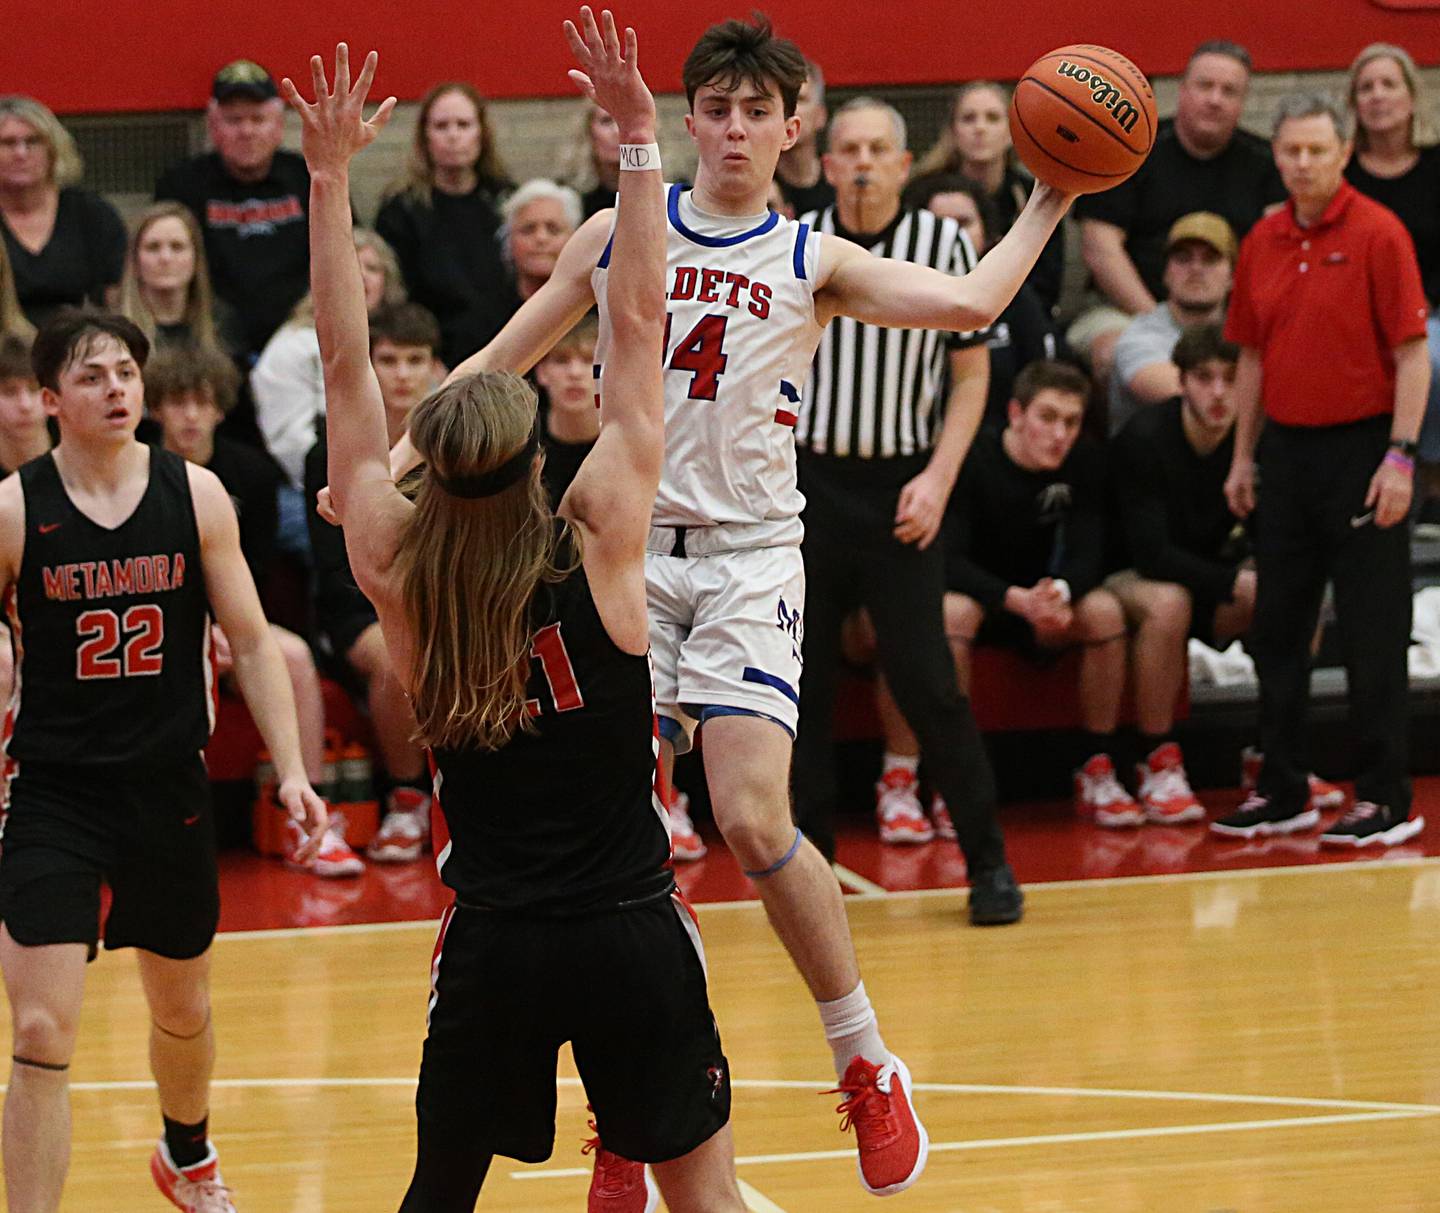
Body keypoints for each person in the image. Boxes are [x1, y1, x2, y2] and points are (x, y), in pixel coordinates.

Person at [379, 12, 1070, 1196]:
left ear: (794, 127)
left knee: (750, 817)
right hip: (618, 553)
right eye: (719, 106)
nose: (739, 126)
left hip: (751, 554)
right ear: (688, 118)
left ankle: (864, 1058)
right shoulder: (615, 230)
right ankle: (632, 1109)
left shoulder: (812, 259)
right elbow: (499, 355)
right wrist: (392, 463)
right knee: (608, 841)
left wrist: (1054, 194)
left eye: (761, 110)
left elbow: (968, 308)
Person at [285, 26, 747, 1212]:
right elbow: (639, 323)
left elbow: (343, 361)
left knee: (438, 1195)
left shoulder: (399, 565)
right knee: (702, 1197)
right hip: (632, 932)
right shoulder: (601, 534)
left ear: (428, 466)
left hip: (497, 941)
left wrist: (329, 176)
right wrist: (641, 142)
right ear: (536, 454)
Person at [0, 310, 326, 1213]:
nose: (117, 388)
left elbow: (253, 642)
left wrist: (291, 767)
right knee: (37, 1028)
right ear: (49, 398)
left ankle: (186, 1152)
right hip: (53, 792)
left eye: (127, 374)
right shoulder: (15, 507)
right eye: (94, 375)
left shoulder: (197, 493)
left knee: (181, 1009)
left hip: (167, 783)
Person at [790, 96, 1020, 918]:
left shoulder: (944, 243)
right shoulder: (799, 241)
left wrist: (939, 475)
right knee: (799, 687)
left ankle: (989, 863)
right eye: (845, 147)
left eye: (876, 148)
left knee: (929, 682)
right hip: (804, 487)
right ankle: (807, 877)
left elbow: (970, 376)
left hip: (902, 488)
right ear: (824, 162)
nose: (859, 160)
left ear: (901, 162)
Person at [1219, 92, 1430, 847]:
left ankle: (1384, 796)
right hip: (1287, 452)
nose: (1303, 163)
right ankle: (1282, 787)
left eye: (1317, 150)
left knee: (1373, 630)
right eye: (1292, 151)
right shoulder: (1262, 239)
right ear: (1276, 155)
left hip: (1365, 450)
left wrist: (1401, 457)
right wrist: (1243, 455)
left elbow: (1412, 355)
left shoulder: (1380, 232)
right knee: (1278, 627)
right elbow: (1249, 353)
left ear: (1343, 152)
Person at [144, 346, 363, 878]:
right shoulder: (138, 470)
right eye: (177, 403)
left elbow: (257, 571)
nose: (191, 416)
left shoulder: (252, 473)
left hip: (231, 620)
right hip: (151, 629)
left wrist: (222, 630)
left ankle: (307, 813)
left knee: (292, 658)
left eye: (201, 402)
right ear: (155, 409)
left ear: (221, 408)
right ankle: (146, 827)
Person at [943, 361, 1136, 823]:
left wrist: (1061, 593)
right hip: (987, 599)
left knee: (1106, 610)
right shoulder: (973, 458)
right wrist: (1015, 599)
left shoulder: (1085, 461)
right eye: (1047, 418)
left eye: (1070, 421)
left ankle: (1097, 766)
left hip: (1047, 601)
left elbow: (1092, 550)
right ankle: (951, 782)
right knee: (949, 613)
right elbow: (947, 560)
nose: (1060, 434)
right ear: (1015, 414)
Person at [305, 303, 438, 865]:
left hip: (443, 602)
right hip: (358, 610)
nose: (403, 374)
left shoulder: (451, 445)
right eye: (388, 360)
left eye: (416, 360)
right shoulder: (327, 455)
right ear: (369, 365)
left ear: (436, 368)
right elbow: (333, 572)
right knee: (394, 657)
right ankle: (407, 799)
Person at [1070, 41, 1284, 383]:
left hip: (1232, 316)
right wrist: (1161, 322)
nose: (1215, 99)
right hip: (1129, 311)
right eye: (1205, 86)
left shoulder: (1267, 164)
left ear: (1243, 103)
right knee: (1113, 352)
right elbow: (1100, 248)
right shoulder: (1130, 152)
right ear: (1182, 91)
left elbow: (1277, 253)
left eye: (1229, 91)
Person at [1105, 324, 1247, 823]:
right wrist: (1232, 582)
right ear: (1182, 382)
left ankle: (1276, 753)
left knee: (1295, 591)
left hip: (1204, 574)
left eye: (1232, 379)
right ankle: (1157, 760)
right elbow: (1152, 555)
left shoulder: (1253, 441)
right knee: (1169, 603)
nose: (1218, 393)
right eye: (1205, 378)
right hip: (1124, 575)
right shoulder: (1145, 439)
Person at [252, 227, 403, 559]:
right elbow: (292, 448)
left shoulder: (402, 338)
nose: (361, 276)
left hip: (395, 474)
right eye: (352, 263)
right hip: (306, 487)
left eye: (373, 268)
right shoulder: (293, 346)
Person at [155, 61, 315, 362]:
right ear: (213, 128)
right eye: (234, 120)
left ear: (279, 126)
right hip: (208, 338)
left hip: (301, 334)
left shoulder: (307, 175)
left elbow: (348, 248)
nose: (246, 131)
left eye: (258, 119)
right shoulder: (182, 184)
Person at [1343, 44, 1440, 505]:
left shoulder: (1437, 167)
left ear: (1411, 97)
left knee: (1431, 362)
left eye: (1388, 84)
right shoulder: (1339, 176)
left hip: (1431, 314)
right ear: (1354, 105)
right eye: (1366, 88)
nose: (1377, 96)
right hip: (1358, 322)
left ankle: (1429, 481)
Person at [375, 81, 515, 369]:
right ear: (425, 137)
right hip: (432, 360)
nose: (453, 136)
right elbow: (397, 300)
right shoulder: (401, 210)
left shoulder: (505, 201)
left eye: (463, 125)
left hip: (506, 352)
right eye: (441, 126)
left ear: (482, 133)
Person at [907, 173, 1058, 428]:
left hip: (999, 446)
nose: (951, 234)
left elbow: (1040, 378)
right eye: (939, 223)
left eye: (963, 223)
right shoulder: (900, 296)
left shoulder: (1017, 297)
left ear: (986, 231)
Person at [908, 82, 1064, 313]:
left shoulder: (1037, 195)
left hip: (1019, 318)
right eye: (969, 118)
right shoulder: (920, 193)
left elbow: (1047, 286)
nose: (980, 128)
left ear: (1012, 131)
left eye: (992, 118)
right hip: (936, 312)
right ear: (952, 131)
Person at [0, 96, 126, 328]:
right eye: (8, 143)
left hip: (82, 349)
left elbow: (119, 299)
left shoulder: (92, 215)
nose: (21, 153)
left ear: (53, 150)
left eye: (33, 141)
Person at [1108, 212, 1234, 434]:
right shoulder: (1140, 335)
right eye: (1183, 258)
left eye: (1210, 259)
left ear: (1233, 275)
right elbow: (1192, 399)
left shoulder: (1245, 334)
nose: (1196, 269)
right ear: (1166, 272)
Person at [117, 202, 241, 356]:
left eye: (177, 247)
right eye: (153, 247)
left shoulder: (223, 325)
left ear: (196, 258)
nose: (165, 258)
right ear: (135, 259)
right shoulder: (113, 332)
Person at [502, 179, 581, 304]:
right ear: (509, 239)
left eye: (553, 230)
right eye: (528, 229)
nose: (541, 238)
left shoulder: (599, 310)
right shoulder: (483, 307)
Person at [774, 59, 834, 218]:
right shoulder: (753, 184)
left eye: (800, 99)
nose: (790, 110)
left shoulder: (839, 182)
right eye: (781, 100)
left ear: (820, 115)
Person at [560, 100, 623, 219]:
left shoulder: (664, 193)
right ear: (588, 131)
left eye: (626, 121)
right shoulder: (567, 196)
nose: (617, 131)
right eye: (606, 121)